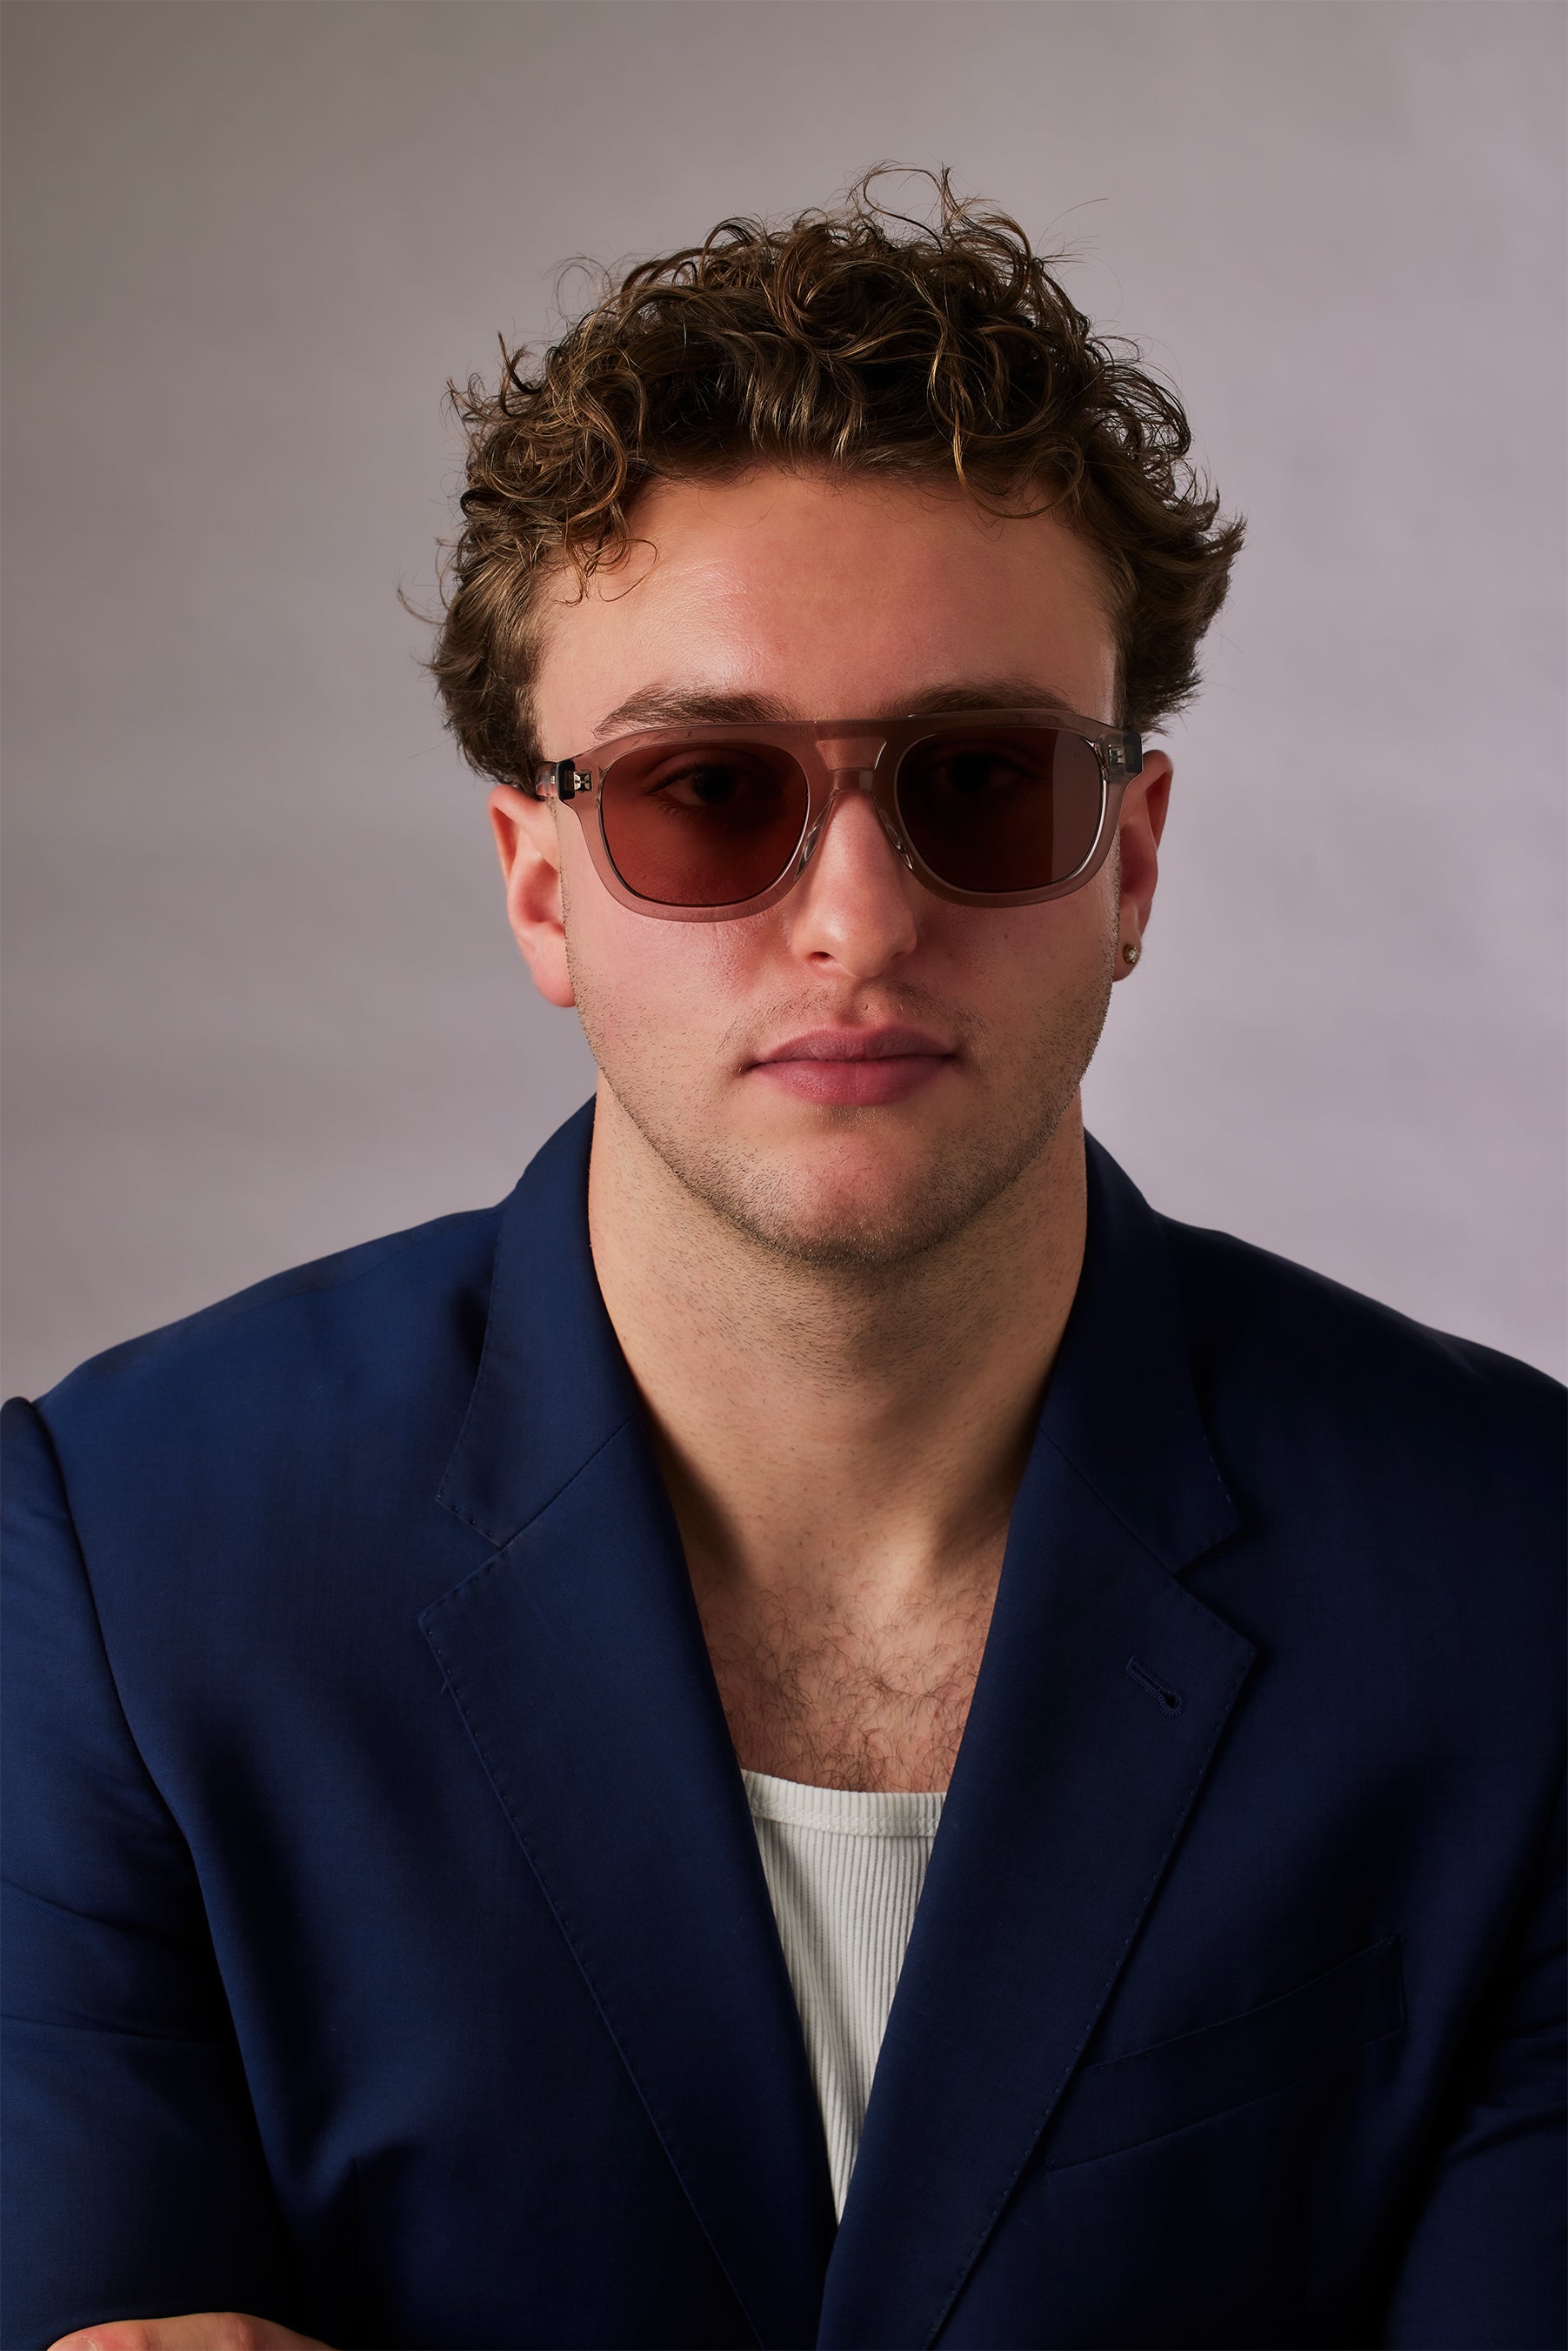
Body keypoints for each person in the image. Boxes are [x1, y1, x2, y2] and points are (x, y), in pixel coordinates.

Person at [3, 173, 1562, 2351]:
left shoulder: (1515, 1578)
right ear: (538, 886)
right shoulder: (119, 1570)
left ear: (1127, 859)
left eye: (976, 784)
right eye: (710, 792)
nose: (850, 918)